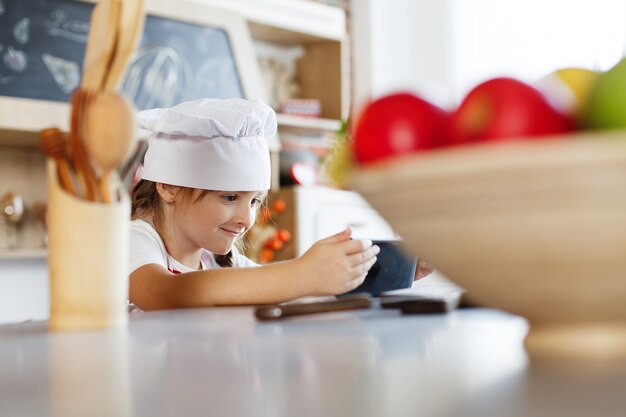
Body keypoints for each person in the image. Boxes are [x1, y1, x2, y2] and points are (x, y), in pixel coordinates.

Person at [128, 98, 379, 311]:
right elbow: (163, 293)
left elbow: (276, 289)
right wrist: (301, 274)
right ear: (168, 187)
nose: (247, 219)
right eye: (229, 197)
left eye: (255, 201)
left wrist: (369, 272)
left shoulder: (219, 258)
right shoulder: (133, 241)